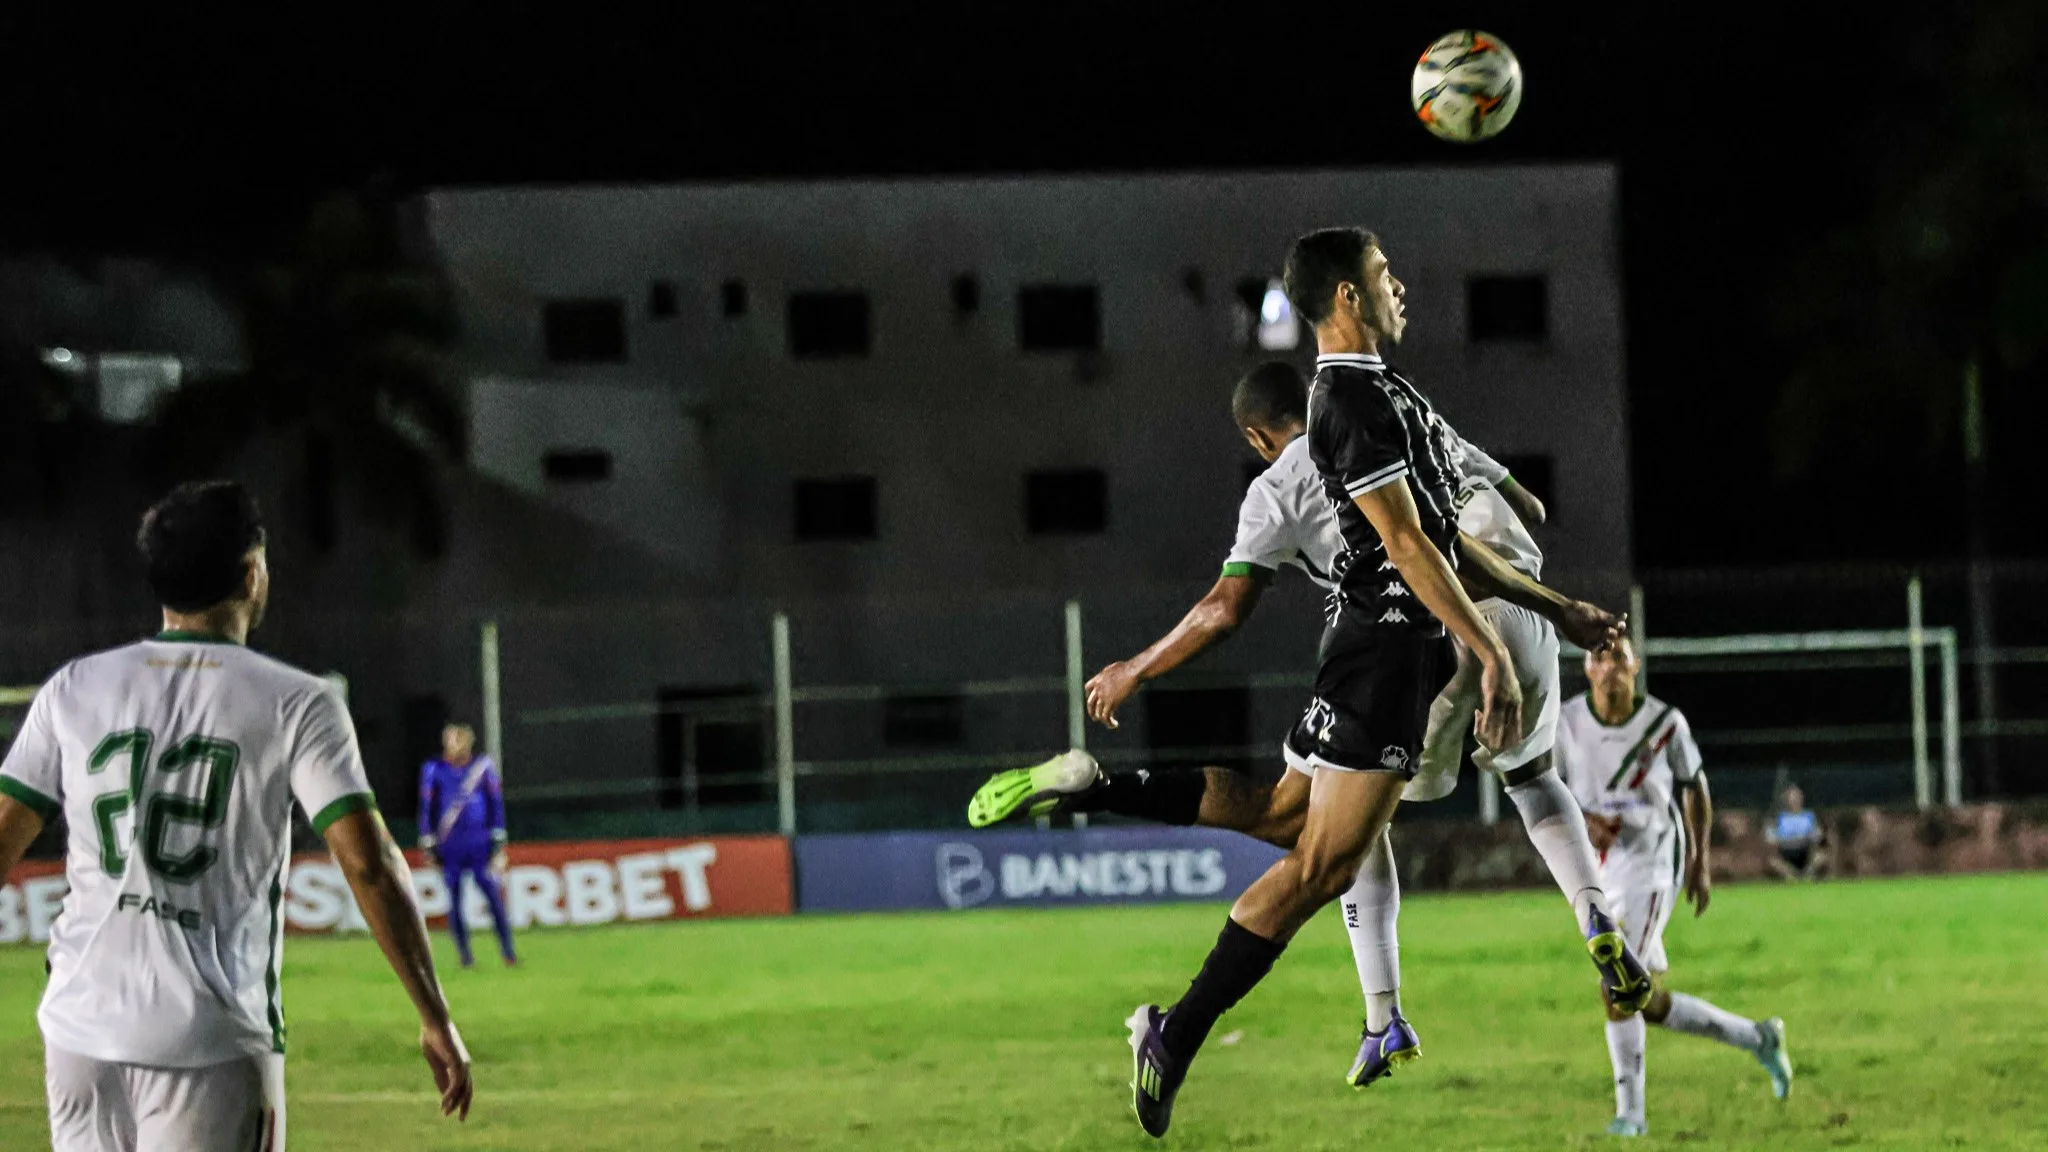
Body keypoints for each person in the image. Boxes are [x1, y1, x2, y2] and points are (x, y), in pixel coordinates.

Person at [967, 358, 1649, 1095]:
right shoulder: (1396, 416)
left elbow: (1229, 607)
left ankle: (1369, 1012)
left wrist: (1135, 668)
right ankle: (1590, 915)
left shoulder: (1280, 483)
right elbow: (1513, 515)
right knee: (1507, 780)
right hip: (1500, 620)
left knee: (1323, 836)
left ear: (1260, 436)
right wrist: (1555, 606)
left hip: (1400, 642)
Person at [1112, 227, 1640, 1138]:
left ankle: (1354, 1013)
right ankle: (1179, 1027)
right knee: (1317, 859)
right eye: (1386, 274)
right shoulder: (1344, 406)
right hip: (1379, 650)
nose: (1401, 286)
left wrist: (1555, 614)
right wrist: (1493, 651)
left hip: (1408, 655)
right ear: (1348, 297)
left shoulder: (1389, 392)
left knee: (1303, 835)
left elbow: (1452, 542)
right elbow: (1404, 546)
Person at [0, 480, 472, 1151]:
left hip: (80, 1031)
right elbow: (367, 863)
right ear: (252, 574)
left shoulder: (74, 687)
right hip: (210, 1037)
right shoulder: (298, 702)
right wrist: (434, 1014)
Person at [1557, 637, 1794, 1138]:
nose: (1611, 666)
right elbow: (1545, 784)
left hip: (1651, 864)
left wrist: (1699, 860)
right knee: (1643, 998)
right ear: (1586, 669)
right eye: (1601, 657)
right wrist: (1582, 817)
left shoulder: (1665, 723)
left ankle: (1631, 1117)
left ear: (1635, 665)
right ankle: (1756, 1038)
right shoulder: (1567, 721)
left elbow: (1695, 786)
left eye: (1620, 656)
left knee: (1617, 985)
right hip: (1597, 870)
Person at [419, 722, 517, 967]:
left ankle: (508, 952)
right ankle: (465, 956)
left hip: (479, 844)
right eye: (451, 740)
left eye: (459, 740)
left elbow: (495, 803)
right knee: (454, 899)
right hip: (449, 845)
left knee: (493, 896)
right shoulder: (434, 770)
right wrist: (428, 841)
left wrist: (498, 838)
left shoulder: (482, 767)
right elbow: (427, 808)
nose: (454, 745)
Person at [1764, 784, 1828, 881]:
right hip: (1786, 853)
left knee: (1821, 856)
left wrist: (1809, 836)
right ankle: (1791, 876)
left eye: (1797, 796)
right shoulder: (1781, 817)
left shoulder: (1809, 816)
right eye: (1792, 797)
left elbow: (1818, 834)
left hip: (1805, 852)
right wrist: (1783, 838)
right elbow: (1770, 837)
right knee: (1772, 861)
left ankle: (1807, 874)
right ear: (1787, 799)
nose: (1795, 799)